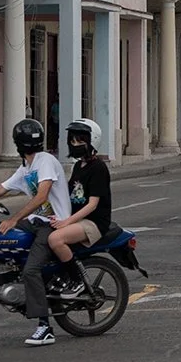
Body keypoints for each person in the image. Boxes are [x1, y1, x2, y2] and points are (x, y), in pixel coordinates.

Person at [0, 117, 70, 347]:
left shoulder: (45, 162)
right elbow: (0, 189)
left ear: (17, 143)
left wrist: (14, 219)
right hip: (35, 221)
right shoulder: (26, 167)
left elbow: (42, 196)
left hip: (52, 223)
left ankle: (45, 327)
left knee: (32, 269)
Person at [48, 117, 111, 290]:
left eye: (80, 140)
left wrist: (65, 222)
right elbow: (68, 195)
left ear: (92, 141)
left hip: (93, 222)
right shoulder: (78, 167)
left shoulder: (98, 168)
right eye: (72, 140)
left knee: (55, 239)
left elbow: (92, 204)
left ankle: (77, 281)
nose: (75, 143)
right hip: (76, 219)